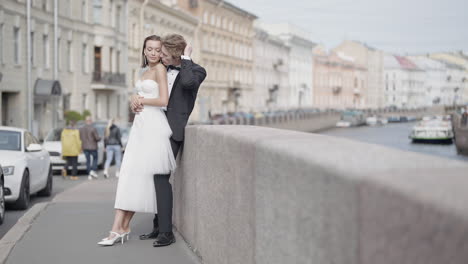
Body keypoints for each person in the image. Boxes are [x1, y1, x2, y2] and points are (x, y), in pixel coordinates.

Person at [98, 35, 176, 246]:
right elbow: (141, 97)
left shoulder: (160, 69)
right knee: (130, 175)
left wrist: (140, 99)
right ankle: (120, 227)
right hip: (140, 126)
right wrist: (134, 100)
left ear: (161, 52)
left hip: (153, 126)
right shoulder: (143, 71)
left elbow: (163, 100)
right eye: (149, 49)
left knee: (137, 175)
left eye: (157, 49)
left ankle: (119, 229)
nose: (152, 53)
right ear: (143, 50)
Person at [135, 34, 206, 247]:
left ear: (176, 55)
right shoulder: (161, 69)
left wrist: (186, 58)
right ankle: (158, 226)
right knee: (151, 177)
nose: (161, 57)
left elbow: (187, 83)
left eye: (165, 54)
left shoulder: (196, 71)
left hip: (172, 131)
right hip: (153, 127)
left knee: (160, 177)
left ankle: (167, 232)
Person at [79, 116, 101, 180]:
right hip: (93, 147)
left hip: (85, 147)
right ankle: (93, 171)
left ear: (86, 121)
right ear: (90, 121)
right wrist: (100, 138)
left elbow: (80, 138)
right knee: (95, 158)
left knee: (88, 161)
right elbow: (97, 138)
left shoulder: (81, 129)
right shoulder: (93, 128)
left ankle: (89, 174)